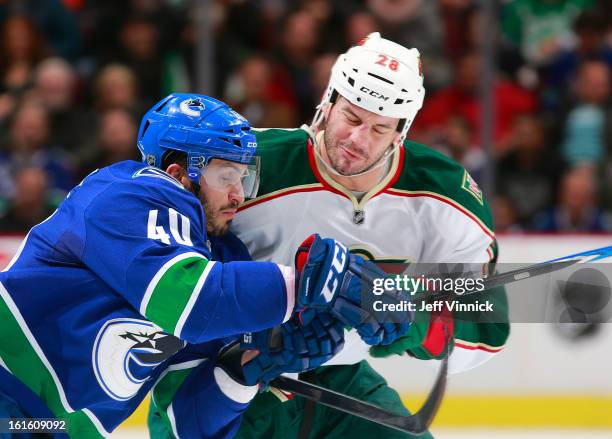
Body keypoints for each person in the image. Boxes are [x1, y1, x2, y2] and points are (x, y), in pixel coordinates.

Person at [0, 93, 410, 438]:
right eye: (227, 175)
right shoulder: (125, 194)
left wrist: (247, 368)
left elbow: (187, 424)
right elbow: (190, 301)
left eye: (244, 178)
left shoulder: (221, 257)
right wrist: (311, 281)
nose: (239, 196)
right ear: (178, 172)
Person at [227, 33, 509, 438]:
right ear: (328, 101)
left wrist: (417, 321)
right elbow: (163, 268)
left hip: (341, 382)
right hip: (232, 379)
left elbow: (486, 326)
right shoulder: (251, 163)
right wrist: (249, 340)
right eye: (352, 118)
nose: (358, 140)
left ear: (402, 130)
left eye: (379, 129)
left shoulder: (445, 195)